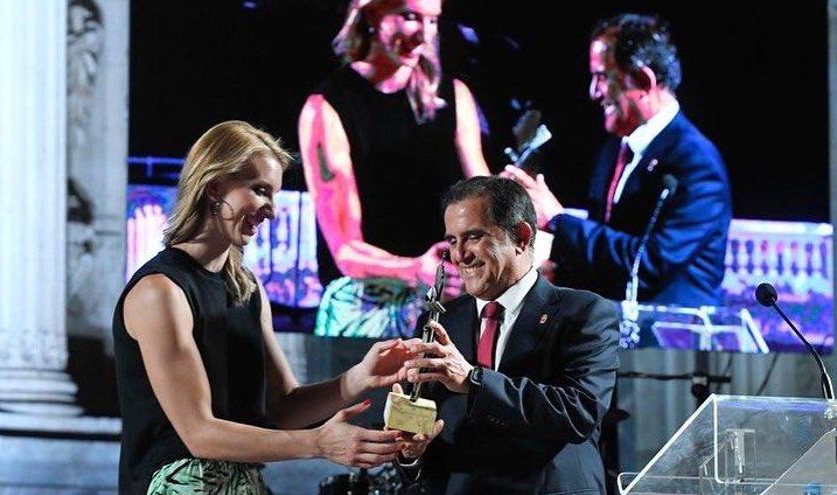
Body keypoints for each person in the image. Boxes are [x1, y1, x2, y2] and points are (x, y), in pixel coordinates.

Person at [112, 121, 428, 494]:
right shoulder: (160, 291)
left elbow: (282, 407)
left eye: (274, 194)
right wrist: (318, 444)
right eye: (260, 191)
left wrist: (358, 378)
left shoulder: (246, 288)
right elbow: (200, 434)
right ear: (214, 187)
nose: (271, 210)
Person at [397, 176, 620, 494]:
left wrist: (472, 381)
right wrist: (410, 453)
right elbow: (420, 428)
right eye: (453, 241)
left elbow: (579, 413)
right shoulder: (441, 321)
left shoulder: (584, 313)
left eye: (473, 237)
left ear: (521, 236)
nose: (459, 255)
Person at [505, 13, 732, 307]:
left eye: (602, 76)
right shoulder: (614, 150)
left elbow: (647, 265)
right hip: (616, 333)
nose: (594, 92)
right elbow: (609, 256)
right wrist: (557, 272)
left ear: (642, 80)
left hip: (673, 342)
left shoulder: (696, 163)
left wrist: (560, 221)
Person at [298, 0, 491, 339]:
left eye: (432, 21)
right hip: (366, 308)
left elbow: (484, 204)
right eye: (410, 17)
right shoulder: (327, 107)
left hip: (449, 303)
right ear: (373, 15)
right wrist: (417, 269)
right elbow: (346, 251)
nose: (424, 34)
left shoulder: (454, 95)